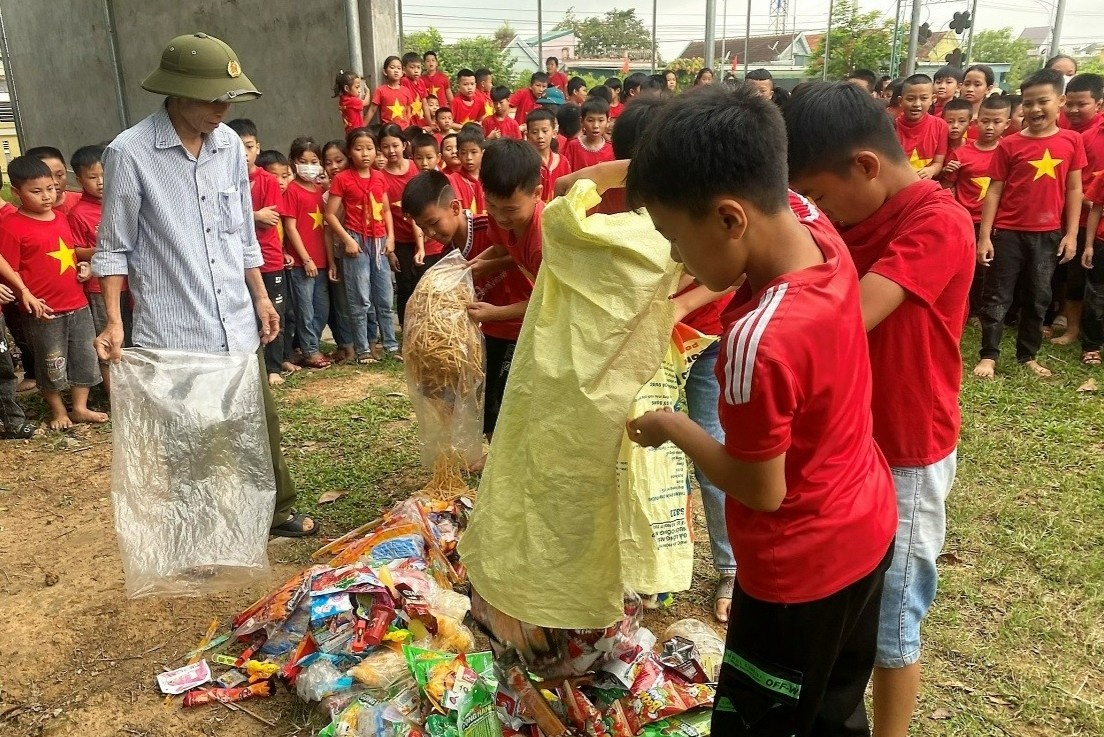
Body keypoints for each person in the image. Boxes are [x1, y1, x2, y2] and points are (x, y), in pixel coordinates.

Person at [625, 85, 896, 736]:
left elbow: (761, 485)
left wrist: (673, 426)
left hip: (795, 575)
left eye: (673, 237)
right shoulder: (808, 221)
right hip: (864, 527)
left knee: (762, 720)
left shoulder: (755, 344)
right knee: (834, 708)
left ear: (728, 219)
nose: (675, 259)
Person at [786, 81, 973, 737]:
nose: (823, 214)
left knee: (894, 618)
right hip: (850, 447)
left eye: (825, 197)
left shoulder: (938, 220)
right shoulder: (850, 214)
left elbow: (855, 313)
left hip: (906, 454)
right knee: (846, 609)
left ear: (866, 165)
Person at [92, 33, 314, 536]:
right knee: (191, 434)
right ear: (176, 92)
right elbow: (113, 246)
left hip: (234, 315)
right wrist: (112, 319)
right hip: (177, 326)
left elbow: (238, 228)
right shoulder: (129, 153)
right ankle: (198, 526)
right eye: (213, 99)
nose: (222, 108)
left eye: (228, 98)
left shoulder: (229, 144)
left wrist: (260, 296)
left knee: (257, 420)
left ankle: (276, 510)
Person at [403, 169, 531, 447]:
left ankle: (500, 455)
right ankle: (492, 449)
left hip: (516, 326)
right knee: (482, 395)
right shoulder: (447, 253)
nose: (429, 233)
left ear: (455, 207)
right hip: (487, 331)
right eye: (422, 228)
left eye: (433, 223)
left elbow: (516, 252)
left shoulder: (492, 227)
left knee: (502, 396)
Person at [975, 68, 1087, 379]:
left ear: (1060, 101)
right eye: (1028, 103)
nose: (1035, 109)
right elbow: (994, 188)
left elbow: (1074, 188)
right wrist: (985, 236)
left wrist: (1072, 234)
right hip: (1008, 233)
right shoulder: (1009, 144)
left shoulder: (1072, 141)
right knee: (998, 295)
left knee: (1039, 297)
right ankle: (989, 355)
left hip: (1048, 235)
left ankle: (1028, 355)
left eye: (1043, 101)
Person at [0, 156, 104, 431]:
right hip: (44, 310)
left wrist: (83, 266)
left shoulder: (60, 218)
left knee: (84, 355)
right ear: (16, 192)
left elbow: (68, 253)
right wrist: (26, 297)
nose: (47, 196)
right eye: (37, 191)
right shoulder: (11, 226)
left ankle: (80, 407)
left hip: (78, 303)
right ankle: (58, 410)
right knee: (50, 360)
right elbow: (9, 269)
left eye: (50, 188)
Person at [325, 127, 399, 363]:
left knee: (385, 298)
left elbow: (386, 209)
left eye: (369, 148)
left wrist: (391, 238)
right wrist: (347, 239)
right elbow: (330, 215)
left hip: (379, 241)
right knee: (360, 299)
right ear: (350, 152)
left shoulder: (379, 177)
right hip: (356, 241)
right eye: (358, 149)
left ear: (376, 151)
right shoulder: (342, 179)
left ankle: (390, 345)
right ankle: (363, 349)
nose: (364, 154)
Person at [226, 119, 288, 387]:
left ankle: (273, 366)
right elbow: (223, 219)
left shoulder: (268, 181)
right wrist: (254, 214)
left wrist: (247, 217)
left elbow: (271, 218)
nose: (243, 152)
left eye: (249, 146)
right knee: (242, 313)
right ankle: (249, 366)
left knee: (273, 311)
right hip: (234, 260)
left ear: (258, 148)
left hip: (268, 258)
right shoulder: (224, 179)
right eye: (237, 147)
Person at [69, 144, 132, 395]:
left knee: (130, 338)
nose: (101, 182)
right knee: (109, 339)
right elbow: (74, 250)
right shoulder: (78, 213)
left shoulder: (121, 203)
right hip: (99, 287)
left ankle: (133, 390)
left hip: (132, 283)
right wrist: (107, 249)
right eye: (92, 177)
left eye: (105, 175)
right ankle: (114, 396)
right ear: (79, 179)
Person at [943, 96, 1012, 316]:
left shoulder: (1009, 152)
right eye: (984, 121)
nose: (990, 127)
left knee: (992, 268)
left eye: (996, 122)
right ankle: (967, 309)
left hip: (997, 221)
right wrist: (947, 171)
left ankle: (987, 310)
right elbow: (948, 186)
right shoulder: (961, 154)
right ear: (976, 121)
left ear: (1007, 124)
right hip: (967, 220)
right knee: (968, 268)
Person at [1051, 73, 1104, 349]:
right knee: (1070, 275)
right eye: (1069, 104)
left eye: (1080, 104)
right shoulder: (1058, 130)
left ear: (1098, 104)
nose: (1072, 110)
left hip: (1091, 218)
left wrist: (1089, 199)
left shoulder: (1097, 135)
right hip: (1061, 214)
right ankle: (1070, 327)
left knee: (1092, 278)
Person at [282, 136, 331, 370]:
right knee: (305, 309)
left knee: (321, 308)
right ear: (294, 161)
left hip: (321, 260)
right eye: (303, 161)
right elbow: (290, 227)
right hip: (304, 263)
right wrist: (306, 259)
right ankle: (310, 351)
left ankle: (305, 345)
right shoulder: (292, 190)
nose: (309, 166)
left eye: (314, 161)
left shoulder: (320, 190)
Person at [379, 124, 426, 326]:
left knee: (423, 283)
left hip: (425, 235)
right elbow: (382, 213)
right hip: (399, 241)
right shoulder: (379, 177)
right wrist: (390, 251)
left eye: (395, 145)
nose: (391, 151)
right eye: (385, 146)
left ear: (404, 145)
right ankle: (407, 328)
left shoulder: (417, 167)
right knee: (405, 284)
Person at [895, 74, 948, 179]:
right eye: (910, 99)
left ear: (932, 99)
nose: (917, 104)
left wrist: (931, 170)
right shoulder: (891, 126)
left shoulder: (940, 126)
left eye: (923, 98)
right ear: (900, 101)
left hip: (926, 185)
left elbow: (938, 162)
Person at [1079, 166, 1104, 364]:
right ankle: (1091, 346)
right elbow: (1095, 209)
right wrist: (1088, 245)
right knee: (1096, 295)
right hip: (1102, 243)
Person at [525, 108, 572, 202]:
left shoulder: (562, 161)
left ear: (554, 133)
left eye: (545, 131)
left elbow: (569, 191)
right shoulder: (525, 163)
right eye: (534, 132)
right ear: (528, 135)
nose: (540, 136)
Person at [25, 146, 82, 215]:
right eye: (47, 176)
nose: (55, 182)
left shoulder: (82, 201)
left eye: (59, 175)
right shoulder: (26, 214)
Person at [563, 98, 614, 171]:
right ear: (581, 121)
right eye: (590, 120)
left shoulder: (611, 149)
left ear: (608, 121)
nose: (596, 125)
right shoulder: (572, 146)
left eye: (601, 120)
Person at [366, 57, 414, 127]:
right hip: (387, 130)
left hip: (403, 130)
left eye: (398, 68)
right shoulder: (380, 90)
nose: (396, 71)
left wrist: (407, 126)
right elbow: (372, 110)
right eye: (392, 67)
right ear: (385, 72)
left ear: (402, 73)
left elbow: (408, 111)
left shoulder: (406, 90)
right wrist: (362, 125)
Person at [455, 127, 487, 215]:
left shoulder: (490, 177)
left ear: (482, 153)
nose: (469, 158)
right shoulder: (453, 179)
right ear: (458, 155)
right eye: (464, 153)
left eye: (474, 152)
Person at [399, 52, 430, 128]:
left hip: (419, 119)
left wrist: (430, 122)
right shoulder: (404, 80)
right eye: (412, 67)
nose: (416, 70)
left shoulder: (421, 81)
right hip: (408, 120)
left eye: (418, 67)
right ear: (404, 69)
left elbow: (425, 104)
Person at [334, 70, 368, 134]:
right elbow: (366, 102)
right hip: (357, 131)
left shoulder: (343, 99)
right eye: (357, 87)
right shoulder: (353, 101)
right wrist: (367, 91)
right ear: (347, 88)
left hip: (349, 132)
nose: (359, 90)